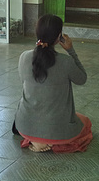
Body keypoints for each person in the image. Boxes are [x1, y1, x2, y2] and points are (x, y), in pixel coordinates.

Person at [14, 14, 92, 153]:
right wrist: (71, 51)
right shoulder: (65, 62)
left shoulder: (24, 57)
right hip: (58, 131)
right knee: (85, 121)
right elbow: (82, 79)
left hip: (25, 126)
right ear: (59, 37)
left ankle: (37, 140)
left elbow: (23, 81)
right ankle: (47, 141)